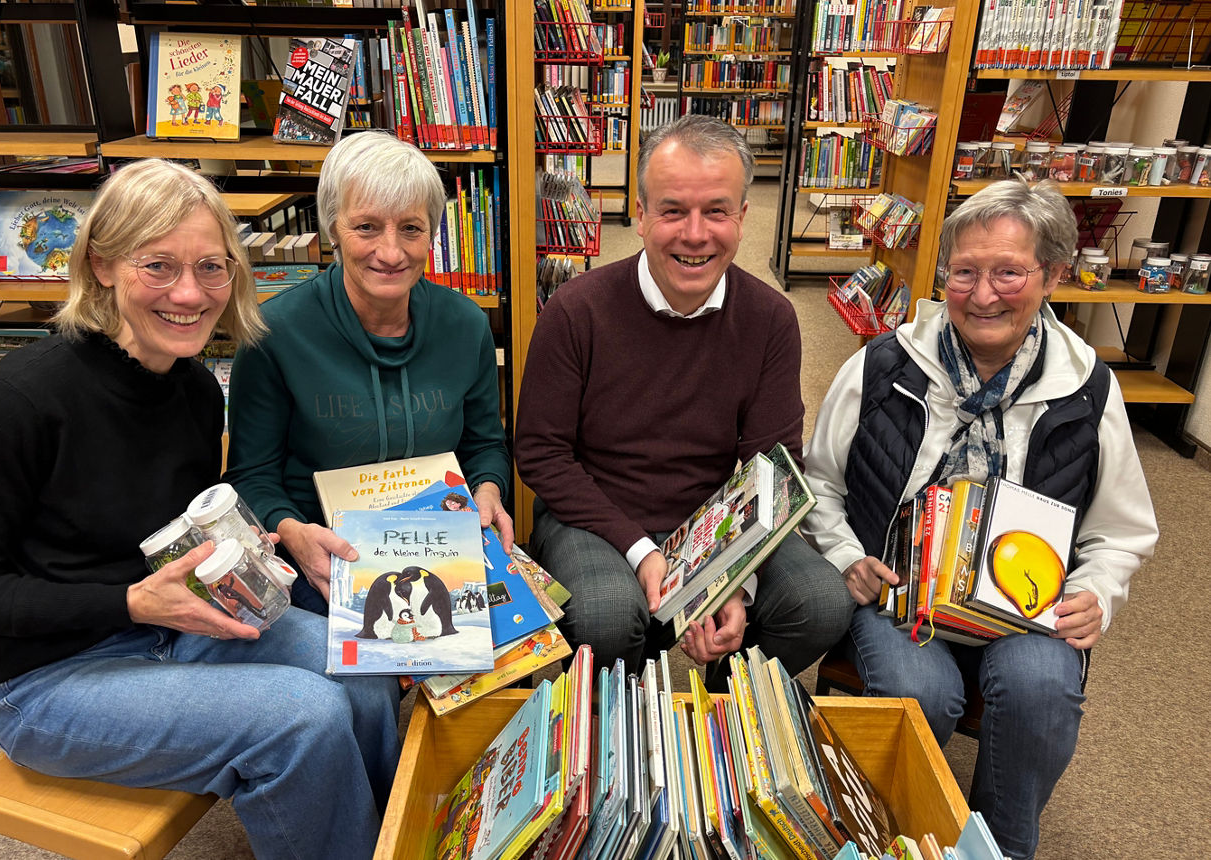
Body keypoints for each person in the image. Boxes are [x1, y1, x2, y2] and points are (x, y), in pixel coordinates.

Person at [0, 159, 401, 860]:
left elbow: (164, 531)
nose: (189, 293)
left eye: (211, 267)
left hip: (171, 627)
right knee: (304, 719)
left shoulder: (196, 389)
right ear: (102, 265)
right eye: (158, 266)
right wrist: (131, 603)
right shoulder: (16, 404)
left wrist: (240, 548)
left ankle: (383, 840)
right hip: (46, 680)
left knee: (363, 663)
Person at [802, 178, 1159, 860]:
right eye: (964, 272)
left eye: (1009, 272)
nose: (983, 293)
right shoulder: (883, 366)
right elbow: (817, 485)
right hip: (900, 596)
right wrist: (848, 556)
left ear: (1052, 275)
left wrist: (1098, 593)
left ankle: (1002, 847)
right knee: (917, 692)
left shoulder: (1086, 387)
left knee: (1039, 688)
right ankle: (900, 842)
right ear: (944, 274)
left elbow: (1123, 528)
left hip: (1026, 603)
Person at [514, 114, 853, 683]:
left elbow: (770, 468)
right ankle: (619, 717)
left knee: (821, 602)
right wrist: (640, 550)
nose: (695, 234)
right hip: (599, 514)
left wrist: (733, 579)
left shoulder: (771, 320)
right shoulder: (576, 309)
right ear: (641, 214)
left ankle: (726, 706)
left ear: (744, 218)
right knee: (604, 615)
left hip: (720, 519)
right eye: (673, 210)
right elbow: (542, 453)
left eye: (716, 211)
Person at [225, 131, 512, 615]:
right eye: (366, 227)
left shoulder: (466, 325)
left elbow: (485, 444)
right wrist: (292, 531)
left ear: (433, 234)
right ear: (333, 228)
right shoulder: (274, 333)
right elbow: (252, 475)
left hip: (440, 546)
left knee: (516, 652)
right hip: (323, 553)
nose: (391, 251)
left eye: (411, 229)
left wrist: (488, 490)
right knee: (367, 679)